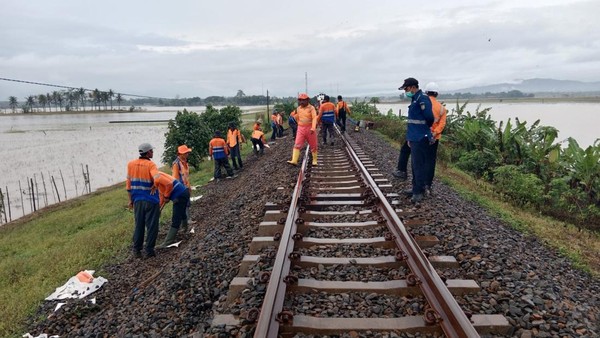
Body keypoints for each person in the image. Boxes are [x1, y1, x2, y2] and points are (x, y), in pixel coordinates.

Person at [399, 77, 434, 203]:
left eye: (407, 89)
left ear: (413, 87)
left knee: (418, 165)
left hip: (420, 137)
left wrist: (424, 131)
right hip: (414, 137)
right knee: (414, 165)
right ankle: (415, 188)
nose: (405, 91)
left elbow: (430, 117)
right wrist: (410, 137)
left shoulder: (422, 99)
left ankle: (419, 192)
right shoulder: (415, 99)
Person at [126, 143, 160, 258]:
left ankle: (137, 250)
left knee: (139, 225)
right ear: (148, 152)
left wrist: (130, 200)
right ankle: (149, 251)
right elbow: (157, 179)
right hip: (151, 200)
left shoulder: (131, 164)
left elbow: (128, 185)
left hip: (137, 200)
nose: (153, 152)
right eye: (152, 151)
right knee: (152, 226)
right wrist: (155, 185)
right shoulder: (151, 165)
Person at [155, 171, 190, 247]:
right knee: (182, 211)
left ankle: (168, 242)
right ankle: (185, 228)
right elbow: (162, 195)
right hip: (183, 192)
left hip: (179, 195)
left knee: (176, 218)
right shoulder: (158, 175)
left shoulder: (156, 176)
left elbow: (169, 184)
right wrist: (159, 208)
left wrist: (167, 196)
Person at [423, 82, 447, 194]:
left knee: (420, 160)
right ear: (437, 94)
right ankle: (428, 184)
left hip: (421, 136)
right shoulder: (442, 108)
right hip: (434, 138)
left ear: (426, 92)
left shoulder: (421, 104)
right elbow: (441, 125)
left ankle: (419, 184)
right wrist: (434, 133)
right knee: (430, 161)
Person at [287, 93, 318, 166]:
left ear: (307, 100)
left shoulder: (311, 108)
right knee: (297, 144)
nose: (302, 102)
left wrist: (313, 127)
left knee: (313, 145)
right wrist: (298, 122)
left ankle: (315, 160)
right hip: (301, 129)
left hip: (310, 129)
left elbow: (314, 118)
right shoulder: (298, 109)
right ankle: (294, 160)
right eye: (300, 100)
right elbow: (297, 117)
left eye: (303, 100)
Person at [172, 144, 192, 232]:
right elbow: (175, 178)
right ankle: (185, 222)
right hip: (181, 189)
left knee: (187, 204)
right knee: (183, 205)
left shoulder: (185, 162)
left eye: (187, 152)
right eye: (185, 153)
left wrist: (189, 186)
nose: (187, 154)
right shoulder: (176, 164)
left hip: (186, 186)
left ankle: (186, 223)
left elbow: (186, 176)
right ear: (180, 154)